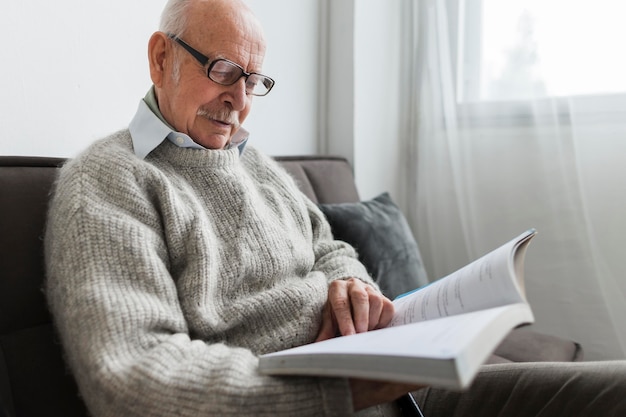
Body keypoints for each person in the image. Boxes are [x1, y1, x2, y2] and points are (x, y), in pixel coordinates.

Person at [45, 0, 626, 416]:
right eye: (223, 71)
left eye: (253, 80)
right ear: (160, 58)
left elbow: (330, 246)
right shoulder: (108, 181)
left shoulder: (259, 165)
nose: (240, 103)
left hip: (412, 388)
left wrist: (349, 281)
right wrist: (340, 389)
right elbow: (133, 377)